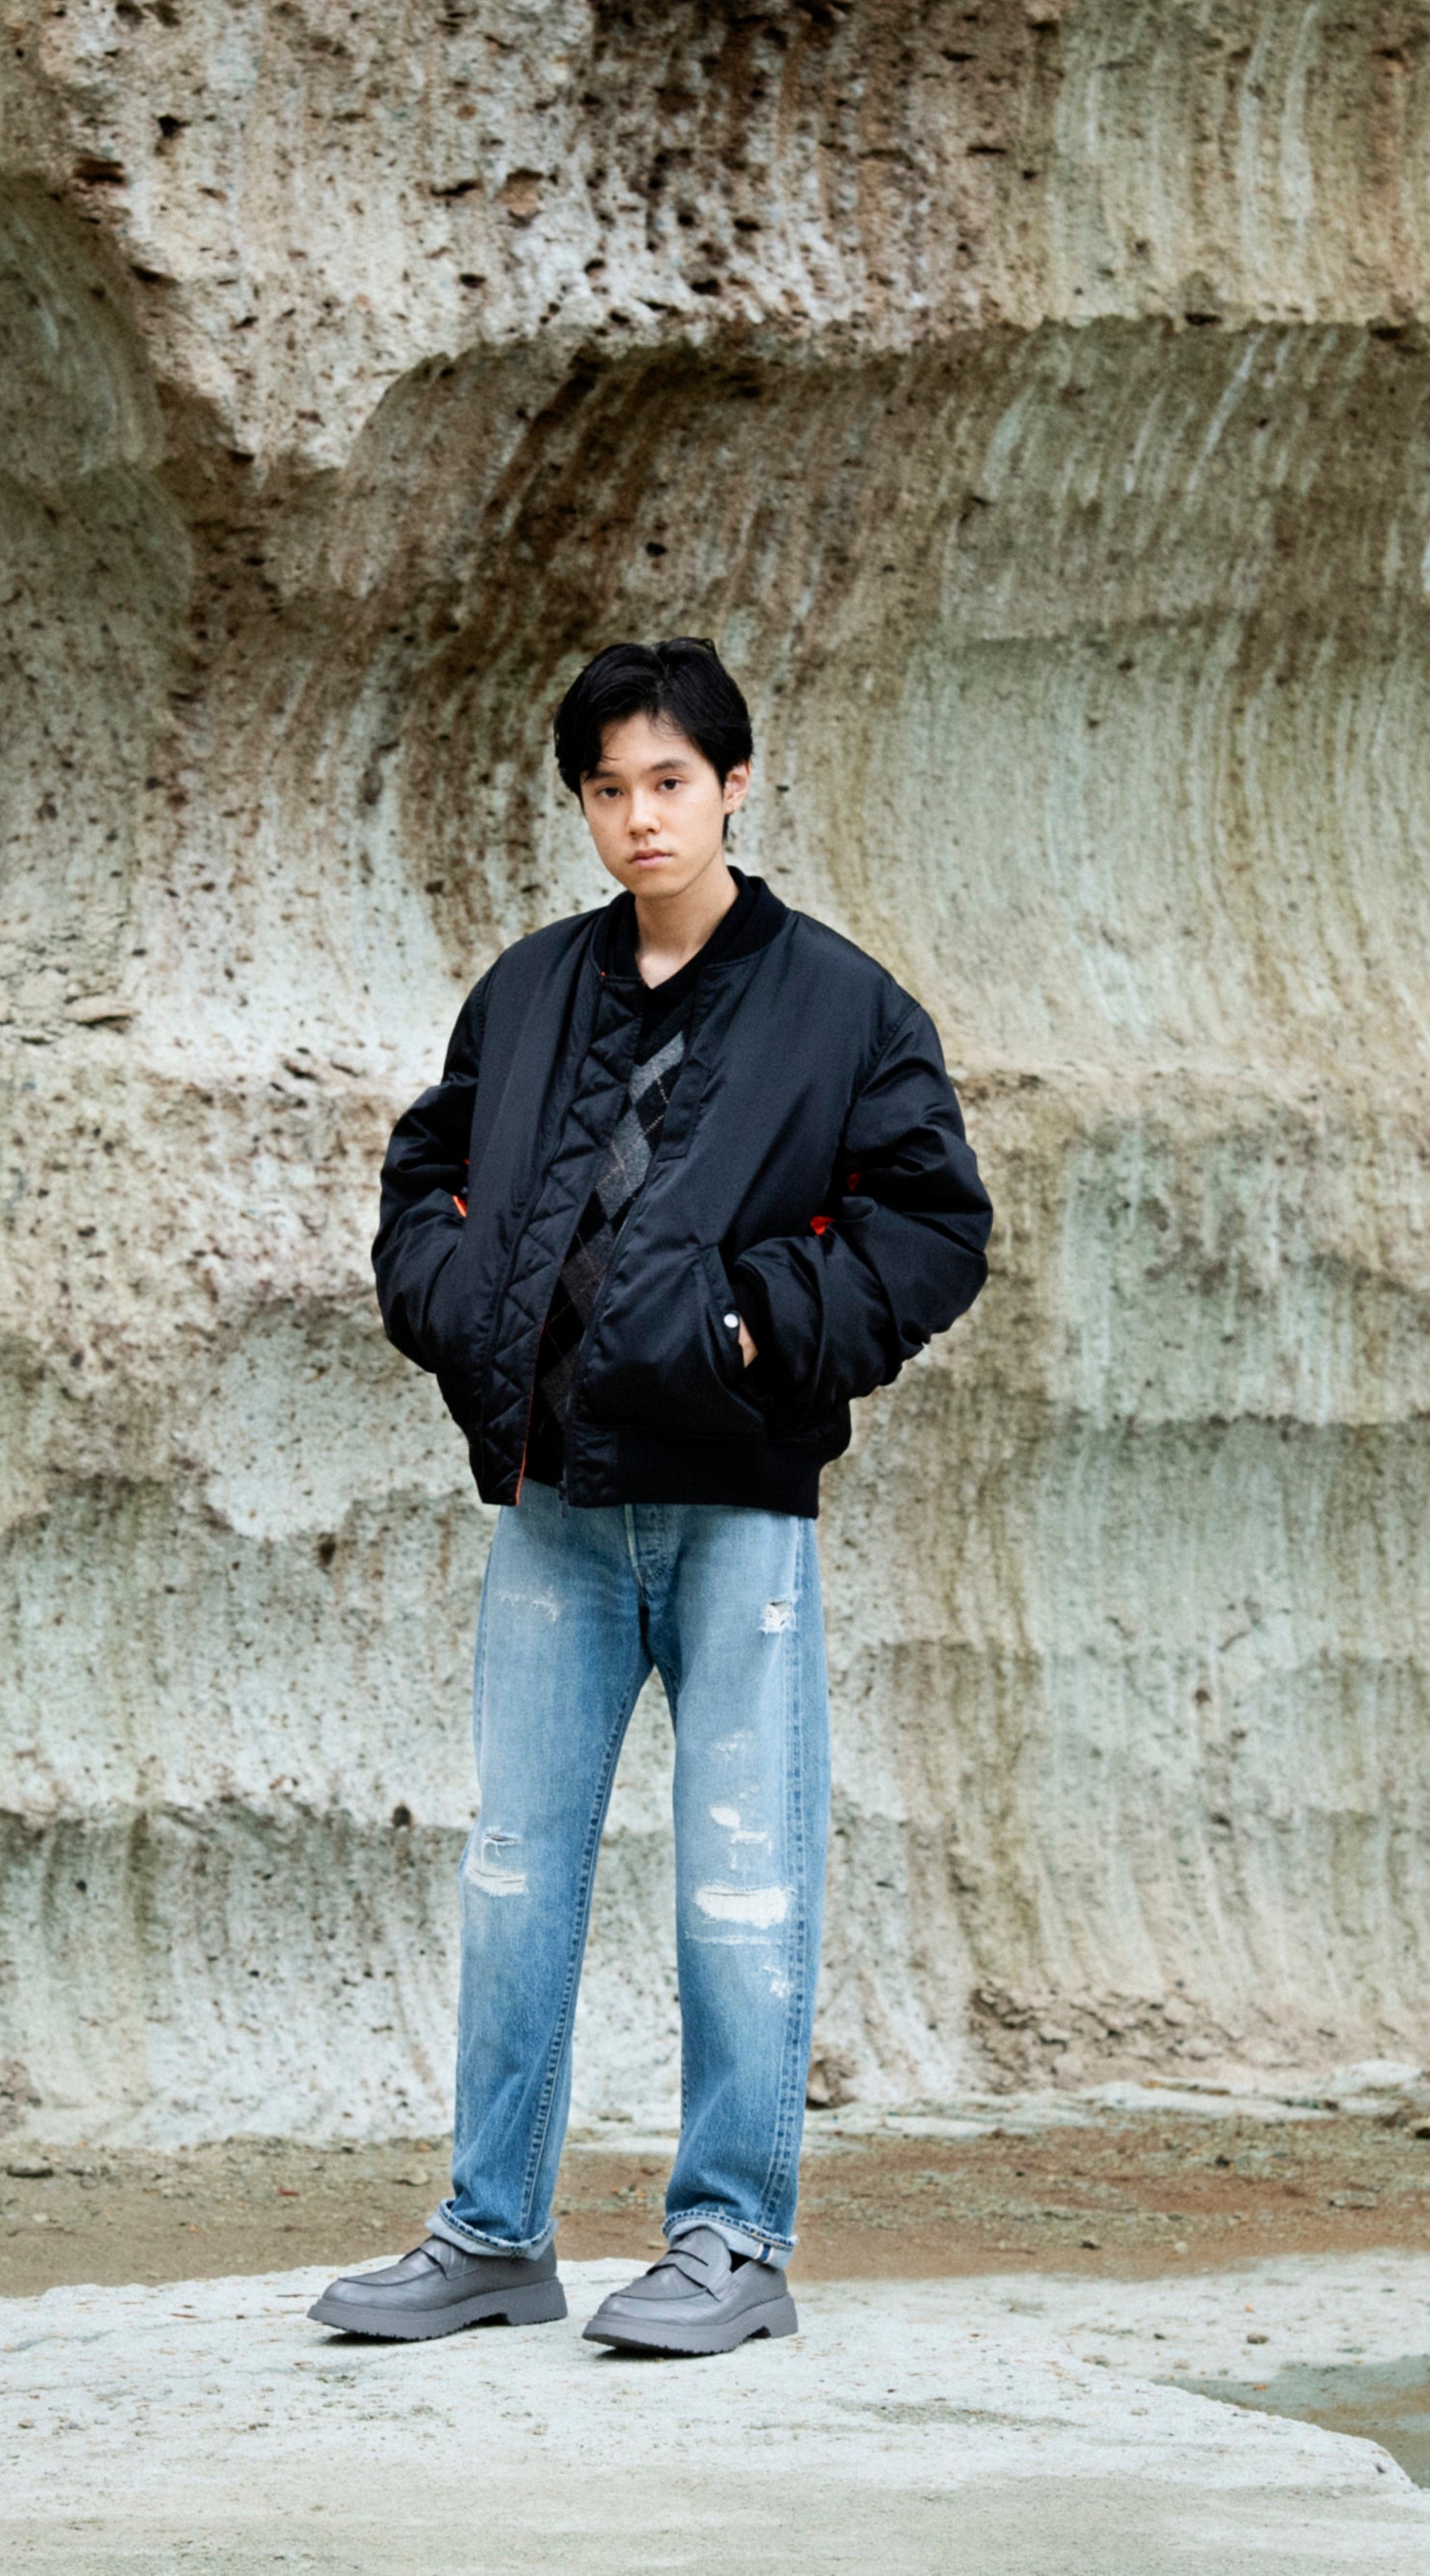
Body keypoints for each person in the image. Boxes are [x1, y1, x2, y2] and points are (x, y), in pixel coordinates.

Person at [309, 637, 991, 2356]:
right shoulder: (531, 988)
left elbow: (934, 1228)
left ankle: (732, 2246)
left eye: (671, 782)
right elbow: (428, 1172)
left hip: (737, 1510)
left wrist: (756, 1326)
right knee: (516, 1874)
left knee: (740, 1882)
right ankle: (491, 2236)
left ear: (735, 785)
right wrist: (458, 1301)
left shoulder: (844, 1005)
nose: (640, 819)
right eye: (608, 789)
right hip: (552, 1504)